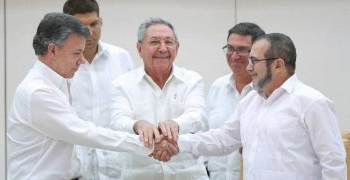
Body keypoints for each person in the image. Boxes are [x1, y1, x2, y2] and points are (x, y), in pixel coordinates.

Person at [7, 12, 177, 180]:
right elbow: (84, 132)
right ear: (53, 50)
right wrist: (149, 144)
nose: (82, 60)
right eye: (76, 53)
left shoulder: (57, 83)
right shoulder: (38, 92)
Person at [167, 33, 346, 179]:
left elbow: (333, 162)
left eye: (254, 61)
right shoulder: (250, 101)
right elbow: (222, 139)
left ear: (278, 64)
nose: (249, 68)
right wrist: (175, 142)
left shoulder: (313, 103)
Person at [108, 17, 209, 180]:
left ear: (177, 47)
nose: (163, 48)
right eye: (154, 42)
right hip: (139, 174)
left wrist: (175, 125)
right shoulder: (122, 84)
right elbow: (117, 122)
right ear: (139, 48)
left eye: (169, 42)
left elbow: (198, 116)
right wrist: (138, 125)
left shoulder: (192, 79)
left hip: (188, 173)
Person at [63, 0, 134, 179]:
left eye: (94, 24)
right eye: (80, 26)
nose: (89, 32)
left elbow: (134, 108)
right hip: (75, 169)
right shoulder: (59, 64)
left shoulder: (121, 58)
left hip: (117, 167)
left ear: (101, 22)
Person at [205, 22, 265, 180]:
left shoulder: (269, 91)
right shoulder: (218, 87)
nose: (234, 56)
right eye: (230, 48)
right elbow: (208, 135)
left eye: (243, 50)